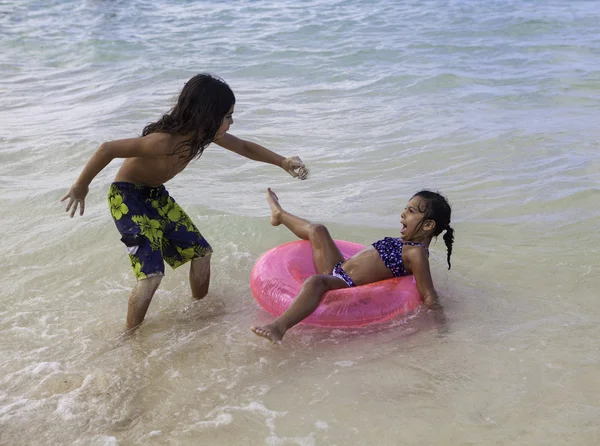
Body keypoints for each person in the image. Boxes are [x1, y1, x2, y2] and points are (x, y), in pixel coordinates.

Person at [61, 73, 308, 330]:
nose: (231, 122)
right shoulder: (163, 142)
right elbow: (107, 149)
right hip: (127, 197)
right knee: (151, 277)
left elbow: (244, 147)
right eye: (227, 116)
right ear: (207, 114)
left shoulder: (204, 135)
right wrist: (81, 185)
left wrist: (282, 161)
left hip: (156, 195)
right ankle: (130, 335)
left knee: (201, 254)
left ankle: (198, 312)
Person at [251, 188, 453, 343]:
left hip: (345, 283)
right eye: (405, 209)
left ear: (427, 225)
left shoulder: (416, 252)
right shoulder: (406, 244)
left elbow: (428, 293)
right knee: (318, 230)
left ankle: (279, 327)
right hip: (339, 267)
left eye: (410, 212)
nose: (402, 215)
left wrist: (440, 324)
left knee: (316, 281)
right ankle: (279, 214)